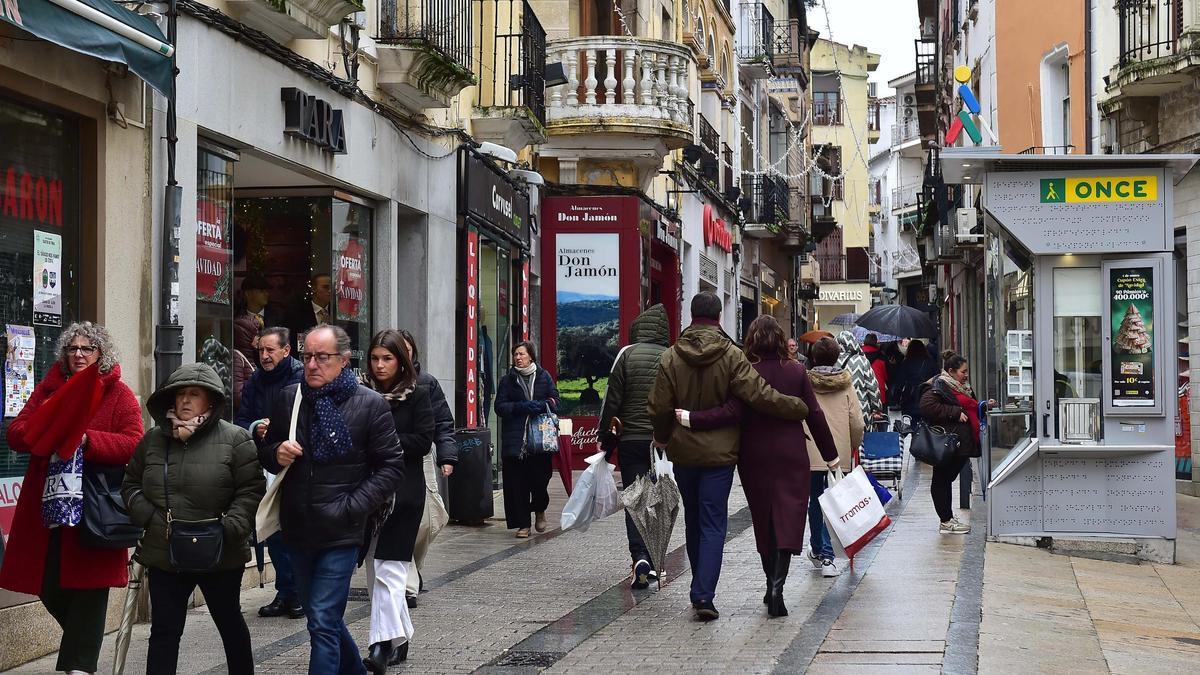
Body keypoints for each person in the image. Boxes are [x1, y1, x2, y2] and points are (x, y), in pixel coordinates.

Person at [647, 292, 810, 621]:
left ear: (691, 316)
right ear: (719, 317)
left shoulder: (670, 357)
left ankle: (700, 587)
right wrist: (796, 406)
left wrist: (663, 437)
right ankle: (704, 594)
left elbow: (658, 407)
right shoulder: (732, 356)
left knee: (693, 520)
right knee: (713, 523)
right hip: (720, 456)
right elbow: (759, 395)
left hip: (684, 453)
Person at [260, 324, 404, 675]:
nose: (311, 365)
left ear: (343, 360)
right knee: (320, 616)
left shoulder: (369, 405)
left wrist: (351, 507)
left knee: (322, 620)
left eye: (321, 357)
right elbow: (265, 451)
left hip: (342, 531)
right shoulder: (288, 399)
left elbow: (391, 467)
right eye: (307, 356)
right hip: (297, 527)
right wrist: (275, 452)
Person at [0, 323, 143, 675]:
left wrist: (87, 440)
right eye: (72, 348)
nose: (78, 354)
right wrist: (48, 432)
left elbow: (134, 442)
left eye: (87, 349)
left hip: (93, 503)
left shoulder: (118, 394)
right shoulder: (48, 389)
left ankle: (79, 667)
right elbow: (18, 433)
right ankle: (80, 651)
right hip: (46, 506)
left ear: (101, 354)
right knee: (48, 585)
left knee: (91, 588)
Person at [677, 316, 838, 618]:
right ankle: (777, 586)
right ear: (780, 340)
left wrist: (690, 418)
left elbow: (731, 412)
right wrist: (831, 456)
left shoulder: (743, 372)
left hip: (754, 455)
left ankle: (769, 582)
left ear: (750, 340)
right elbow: (814, 415)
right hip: (791, 453)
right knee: (789, 518)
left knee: (765, 520)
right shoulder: (797, 371)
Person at [121, 363, 265, 675]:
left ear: (210, 401)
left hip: (221, 551)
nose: (185, 400)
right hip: (165, 553)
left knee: (229, 623)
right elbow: (130, 484)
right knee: (164, 632)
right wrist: (151, 518)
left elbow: (251, 490)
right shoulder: (153, 440)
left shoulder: (236, 439)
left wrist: (232, 527)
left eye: (194, 394)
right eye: (180, 394)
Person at [362, 330, 435, 672]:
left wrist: (380, 440)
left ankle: (378, 646)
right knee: (375, 572)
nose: (380, 365)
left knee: (390, 570)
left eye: (387, 358)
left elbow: (423, 440)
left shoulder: (418, 393)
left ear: (401, 360)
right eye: (375, 358)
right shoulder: (359, 392)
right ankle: (401, 638)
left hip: (404, 493)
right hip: (367, 492)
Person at [233, 326, 305, 620]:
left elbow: (304, 420)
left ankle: (298, 592)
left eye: (270, 350)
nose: (263, 356)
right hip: (265, 464)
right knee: (272, 530)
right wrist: (255, 429)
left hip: (294, 465)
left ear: (286, 351)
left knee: (293, 531)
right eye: (260, 350)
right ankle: (286, 592)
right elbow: (241, 421)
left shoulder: (301, 378)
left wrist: (275, 429)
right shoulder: (255, 382)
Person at [597, 304, 670, 589]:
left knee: (635, 500)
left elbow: (611, 399)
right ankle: (655, 558)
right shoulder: (670, 356)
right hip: (661, 442)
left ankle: (639, 557)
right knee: (658, 500)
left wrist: (606, 437)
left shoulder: (625, 354)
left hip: (630, 440)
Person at [397, 329, 456, 607]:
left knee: (428, 522)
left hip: (420, 457)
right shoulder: (376, 385)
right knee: (401, 522)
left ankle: (412, 568)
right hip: (388, 462)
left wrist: (447, 456)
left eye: (406, 350)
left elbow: (443, 422)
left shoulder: (426, 383)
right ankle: (407, 583)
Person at [802, 337, 864, 578]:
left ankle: (819, 549)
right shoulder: (846, 384)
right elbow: (856, 422)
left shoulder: (805, 382)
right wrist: (852, 446)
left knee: (816, 501)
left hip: (811, 451)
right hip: (838, 454)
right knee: (835, 502)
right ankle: (828, 555)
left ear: (814, 357)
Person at [918, 350, 994, 535]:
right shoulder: (940, 385)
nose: (966, 375)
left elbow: (970, 406)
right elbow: (927, 406)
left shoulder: (961, 387)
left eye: (967, 371)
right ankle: (945, 520)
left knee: (945, 480)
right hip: (949, 443)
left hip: (961, 443)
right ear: (951, 371)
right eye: (963, 371)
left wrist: (984, 406)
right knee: (942, 480)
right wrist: (954, 412)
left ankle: (948, 518)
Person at [494, 341, 559, 538]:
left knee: (540, 482)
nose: (518, 358)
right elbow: (500, 407)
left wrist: (539, 405)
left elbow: (555, 401)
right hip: (516, 442)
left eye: (521, 354)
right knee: (518, 485)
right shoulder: (508, 380)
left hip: (540, 442)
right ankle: (524, 524)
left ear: (531, 356)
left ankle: (539, 508)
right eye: (515, 354)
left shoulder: (543, 376)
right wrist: (521, 407)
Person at [835, 330, 883, 426]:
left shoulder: (831, 359)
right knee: (863, 439)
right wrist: (877, 408)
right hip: (860, 409)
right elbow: (872, 387)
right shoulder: (862, 360)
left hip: (837, 410)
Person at [893, 339, 940, 427]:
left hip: (910, 397)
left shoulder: (906, 363)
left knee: (912, 423)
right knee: (928, 425)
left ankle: (915, 438)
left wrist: (895, 399)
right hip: (927, 396)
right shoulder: (930, 362)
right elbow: (937, 378)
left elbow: (900, 383)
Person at [285, 273, 333, 351]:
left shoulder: (336, 312)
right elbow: (295, 342)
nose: (330, 291)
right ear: (313, 289)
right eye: (325, 287)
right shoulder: (297, 312)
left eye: (332, 287)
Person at [861, 333, 889, 409]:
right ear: (876, 342)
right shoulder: (882, 357)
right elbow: (886, 376)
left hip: (862, 390)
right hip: (878, 390)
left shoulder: (858, 355)